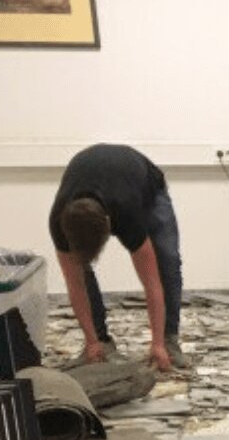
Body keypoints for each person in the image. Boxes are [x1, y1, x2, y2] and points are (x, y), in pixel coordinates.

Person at [49, 143, 186, 372]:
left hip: (148, 187)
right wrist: (91, 341)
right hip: (95, 178)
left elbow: (152, 284)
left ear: (110, 227)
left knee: (167, 260)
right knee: (80, 271)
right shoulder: (59, 223)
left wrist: (157, 344)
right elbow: (76, 285)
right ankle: (100, 342)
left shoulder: (127, 214)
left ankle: (169, 339)